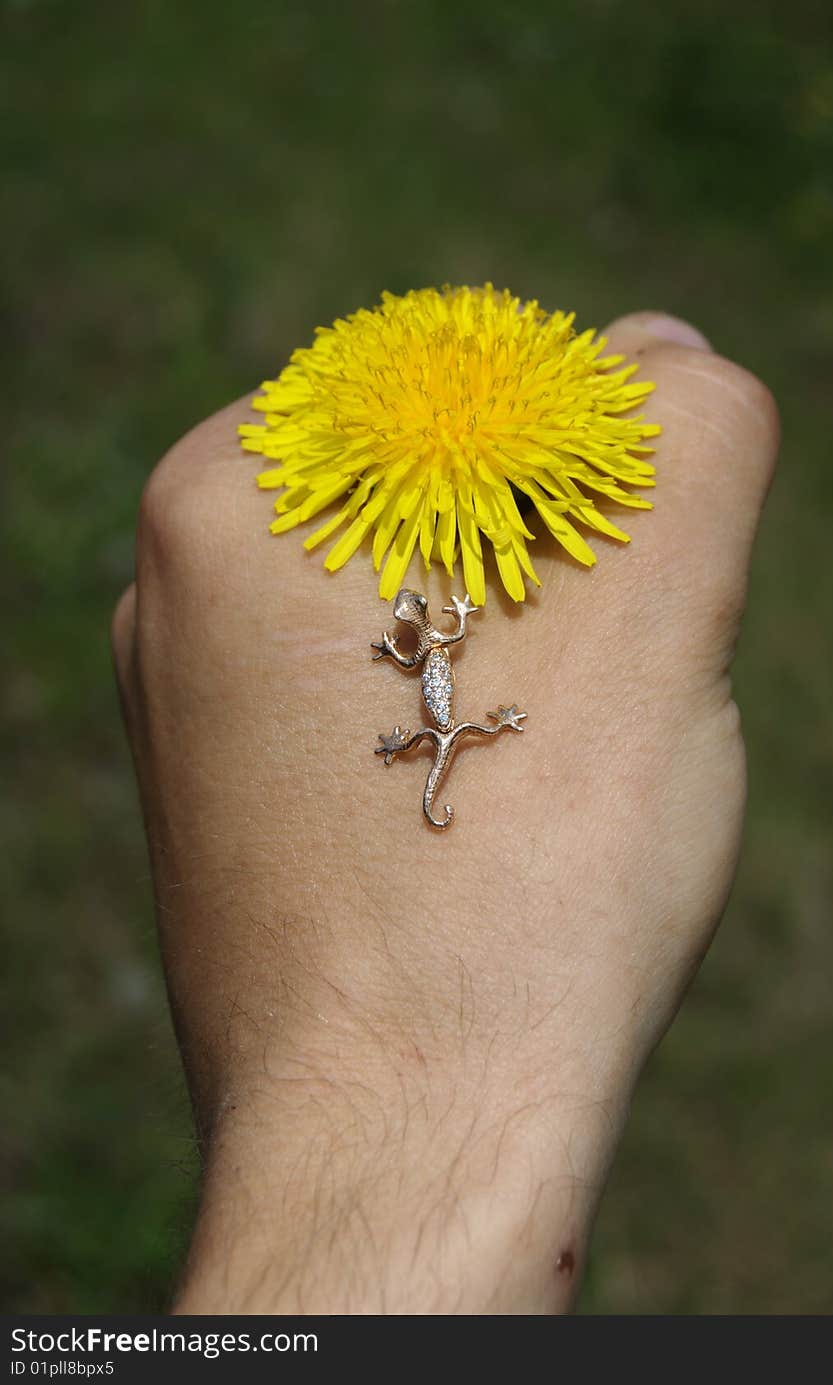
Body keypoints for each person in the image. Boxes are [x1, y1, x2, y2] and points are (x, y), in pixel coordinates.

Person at [111, 310, 780, 1314]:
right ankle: (457, 739)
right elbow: (414, 649)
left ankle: (466, 734)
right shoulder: (421, 651)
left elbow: (423, 644)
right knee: (445, 735)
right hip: (434, 720)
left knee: (451, 734)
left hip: (439, 719)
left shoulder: (427, 647)